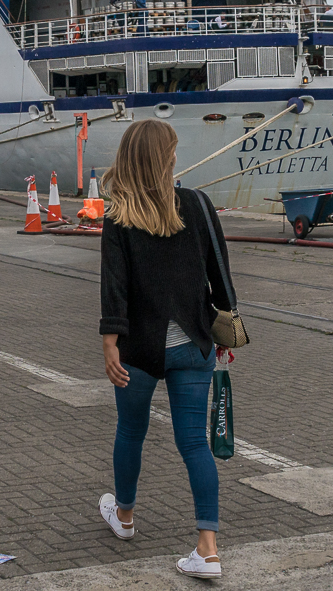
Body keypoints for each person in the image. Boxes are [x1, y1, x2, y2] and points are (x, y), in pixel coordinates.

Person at [98, 119, 235, 580]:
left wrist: (110, 340)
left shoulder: (119, 214)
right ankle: (207, 550)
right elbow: (219, 270)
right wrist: (225, 326)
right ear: (164, 158)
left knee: (130, 431)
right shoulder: (197, 203)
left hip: (138, 347)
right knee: (194, 442)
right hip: (193, 343)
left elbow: (114, 285)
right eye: (172, 149)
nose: (176, 155)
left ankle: (125, 516)